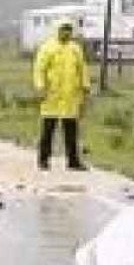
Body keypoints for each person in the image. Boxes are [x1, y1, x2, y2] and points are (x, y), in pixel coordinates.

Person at [33, 18, 91, 170]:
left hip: (71, 96)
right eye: (63, 29)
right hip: (51, 94)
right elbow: (40, 69)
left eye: (68, 30)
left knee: (71, 130)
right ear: (57, 30)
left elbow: (82, 68)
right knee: (48, 129)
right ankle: (43, 160)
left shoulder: (75, 49)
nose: (66, 33)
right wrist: (40, 87)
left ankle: (73, 161)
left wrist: (85, 86)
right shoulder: (47, 48)